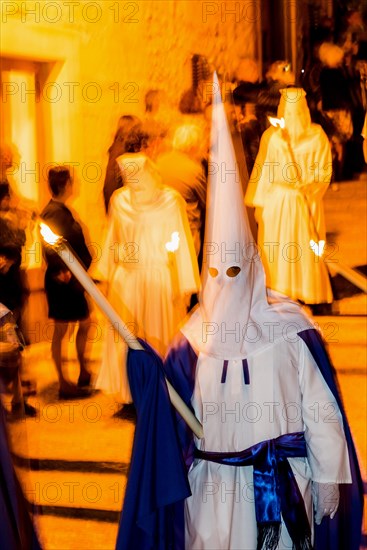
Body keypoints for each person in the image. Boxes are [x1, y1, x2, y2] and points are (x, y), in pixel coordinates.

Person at [117, 74, 363, 550]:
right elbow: (167, 423)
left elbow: (320, 407)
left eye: (235, 270)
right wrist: (148, 375)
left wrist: (329, 475)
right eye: (216, 272)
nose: (225, 282)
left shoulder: (291, 331)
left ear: (252, 267)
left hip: (283, 493)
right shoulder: (189, 344)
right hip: (212, 494)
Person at [95, 126, 199, 411]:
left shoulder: (170, 201)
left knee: (156, 335)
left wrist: (185, 283)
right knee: (129, 338)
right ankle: (131, 393)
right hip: (128, 281)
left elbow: (180, 244)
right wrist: (105, 277)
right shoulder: (120, 201)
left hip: (156, 279)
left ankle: (161, 390)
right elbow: (112, 240)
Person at [246, 87, 333, 309]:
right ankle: (280, 290)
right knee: (279, 245)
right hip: (279, 201)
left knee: (304, 245)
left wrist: (311, 183)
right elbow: (265, 170)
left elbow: (324, 168)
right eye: (290, 113)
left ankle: (305, 290)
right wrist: (261, 204)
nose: (294, 118)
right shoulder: (273, 139)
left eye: (297, 113)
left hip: (304, 200)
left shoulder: (317, 136)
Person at [41, 166, 93, 399]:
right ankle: (63, 383)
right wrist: (61, 271)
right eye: (72, 181)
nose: (74, 185)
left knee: (84, 322)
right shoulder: (53, 212)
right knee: (61, 330)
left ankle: (83, 371)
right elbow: (48, 244)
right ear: (65, 185)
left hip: (72, 279)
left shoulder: (61, 209)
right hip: (63, 280)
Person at [156, 124, 207, 259]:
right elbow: (206, 202)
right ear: (192, 146)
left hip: (159, 225)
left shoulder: (158, 161)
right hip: (185, 229)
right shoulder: (194, 169)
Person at [103, 115, 141, 212]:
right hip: (120, 206)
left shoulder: (119, 147)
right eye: (136, 128)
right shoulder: (121, 151)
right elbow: (112, 183)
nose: (139, 132)